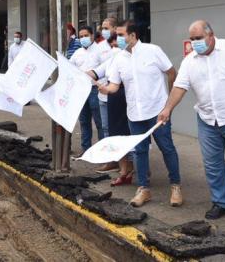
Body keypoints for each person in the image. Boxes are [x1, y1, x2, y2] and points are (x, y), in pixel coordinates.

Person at [157, 20, 225, 224]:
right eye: (192, 39)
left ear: (211, 35)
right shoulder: (190, 61)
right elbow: (179, 87)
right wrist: (167, 108)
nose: (195, 42)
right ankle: (221, 202)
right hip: (207, 120)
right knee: (213, 165)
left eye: (199, 38)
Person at [99, 20, 181, 208]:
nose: (117, 39)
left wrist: (168, 104)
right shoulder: (119, 59)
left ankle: (175, 186)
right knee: (140, 152)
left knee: (167, 148)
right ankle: (143, 188)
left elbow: (171, 73)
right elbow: (114, 85)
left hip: (158, 112)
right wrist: (105, 89)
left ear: (133, 36)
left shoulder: (153, 51)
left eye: (121, 35)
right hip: (135, 114)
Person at [89, 17, 122, 174]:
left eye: (106, 27)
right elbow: (97, 68)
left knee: (122, 131)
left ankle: (129, 163)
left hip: (119, 95)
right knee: (106, 129)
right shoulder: (100, 46)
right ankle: (112, 161)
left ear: (115, 28)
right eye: (102, 27)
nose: (103, 30)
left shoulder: (121, 46)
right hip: (102, 93)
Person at [68, 26, 104, 153]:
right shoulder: (77, 53)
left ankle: (102, 150)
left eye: (85, 36)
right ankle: (86, 149)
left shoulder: (100, 51)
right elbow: (69, 68)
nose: (83, 38)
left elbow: (106, 69)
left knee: (100, 122)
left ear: (92, 36)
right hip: (81, 91)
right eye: (81, 36)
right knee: (84, 121)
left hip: (95, 90)